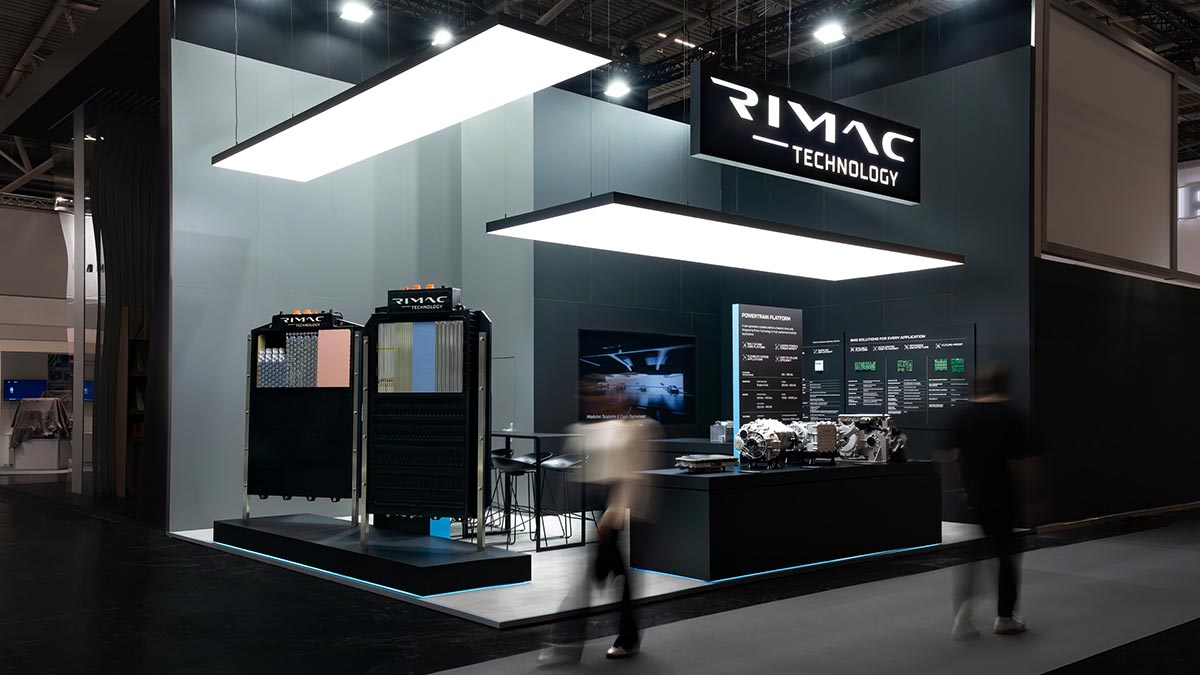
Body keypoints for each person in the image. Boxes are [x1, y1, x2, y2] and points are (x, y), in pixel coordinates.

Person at [539, 377, 658, 665]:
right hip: (606, 507)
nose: (593, 399)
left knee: (597, 576)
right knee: (612, 575)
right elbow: (584, 454)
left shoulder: (639, 428)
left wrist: (614, 512)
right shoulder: (595, 428)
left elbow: (634, 475)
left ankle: (568, 642)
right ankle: (620, 638)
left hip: (622, 510)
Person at [949, 363, 1033, 639]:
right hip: (1004, 497)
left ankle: (963, 616)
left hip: (975, 497)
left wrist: (966, 489)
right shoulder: (1011, 416)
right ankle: (1005, 618)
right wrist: (1032, 498)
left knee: (971, 557)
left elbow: (955, 457)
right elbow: (1020, 463)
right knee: (1006, 557)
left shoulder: (963, 416)